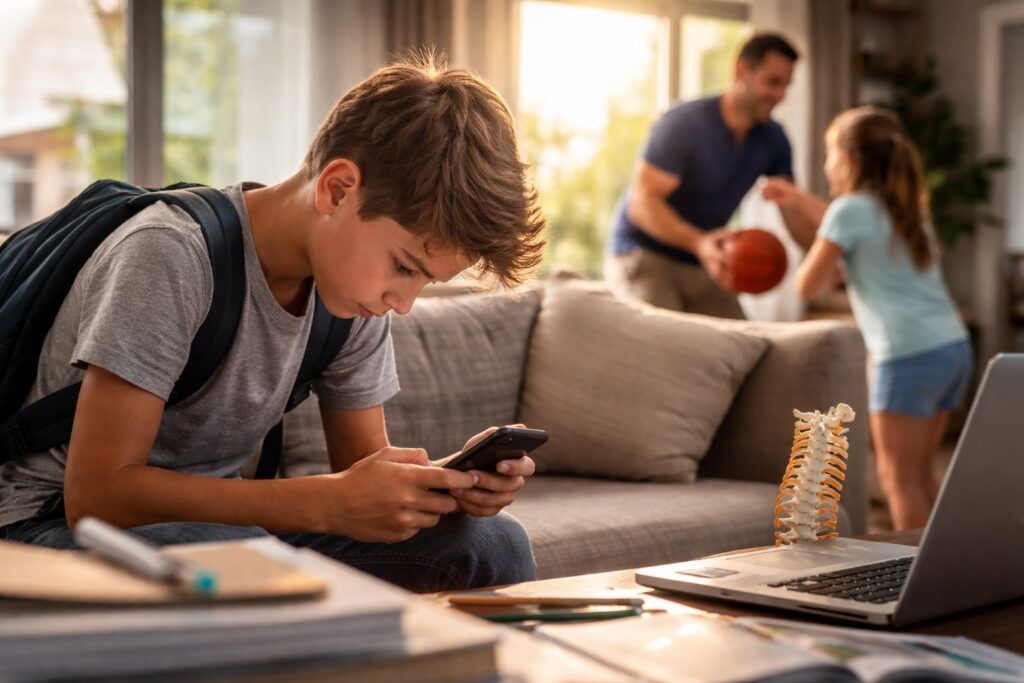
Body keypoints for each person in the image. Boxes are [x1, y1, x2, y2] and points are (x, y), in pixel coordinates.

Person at [0, 55, 547, 592]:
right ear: (337, 189)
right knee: (229, 558)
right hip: (45, 527)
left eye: (423, 282)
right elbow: (98, 498)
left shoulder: (351, 299)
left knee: (491, 543)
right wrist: (325, 503)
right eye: (404, 267)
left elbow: (360, 475)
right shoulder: (171, 254)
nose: (403, 303)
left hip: (223, 535)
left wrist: (449, 484)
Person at [762, 106, 971, 530]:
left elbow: (808, 285)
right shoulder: (903, 204)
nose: (826, 164)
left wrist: (800, 223)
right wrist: (801, 199)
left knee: (897, 479)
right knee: (921, 475)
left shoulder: (849, 210)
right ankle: (954, 574)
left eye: (830, 153)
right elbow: (849, 224)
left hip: (907, 355)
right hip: (952, 347)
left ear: (850, 160)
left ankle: (921, 586)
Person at [606, 32, 812, 318]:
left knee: (741, 346)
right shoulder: (683, 123)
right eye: (772, 82)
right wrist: (699, 243)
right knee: (667, 346)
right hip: (645, 253)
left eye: (786, 86)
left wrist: (828, 255)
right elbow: (641, 205)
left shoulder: (773, 139)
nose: (780, 96)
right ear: (742, 71)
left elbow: (794, 212)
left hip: (704, 260)